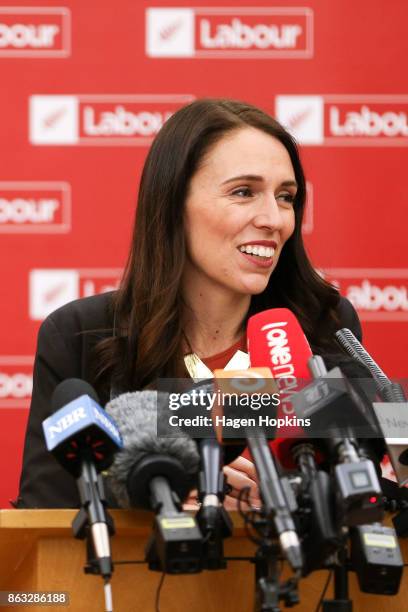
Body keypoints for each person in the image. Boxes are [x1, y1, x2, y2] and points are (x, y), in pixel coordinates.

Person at [16, 98, 362, 509]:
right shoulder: (81, 334)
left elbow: (360, 484)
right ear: (173, 203)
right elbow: (46, 516)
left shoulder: (323, 325)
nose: (274, 218)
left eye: (286, 196)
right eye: (243, 192)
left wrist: (283, 499)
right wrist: (158, 491)